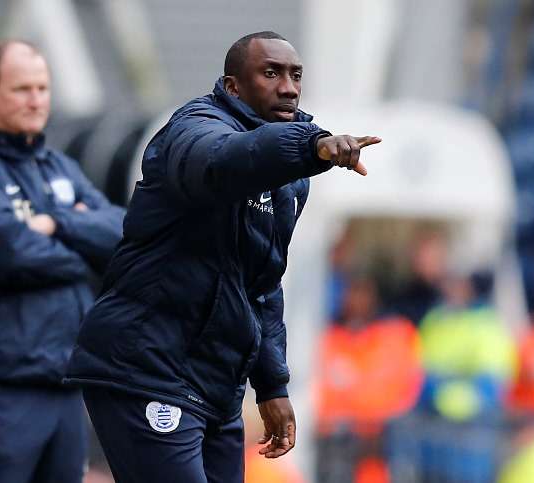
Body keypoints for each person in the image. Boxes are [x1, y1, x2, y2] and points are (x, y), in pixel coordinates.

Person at [65, 31, 381, 482]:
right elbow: (225, 161)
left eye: (295, 75)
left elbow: (262, 287)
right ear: (233, 87)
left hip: (216, 389)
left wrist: (272, 385)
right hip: (147, 369)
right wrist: (309, 147)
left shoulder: (289, 179)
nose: (288, 87)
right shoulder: (193, 129)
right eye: (271, 73)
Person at [0, 40, 124, 483]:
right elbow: (11, 254)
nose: (36, 100)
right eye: (21, 89)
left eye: (42, 88)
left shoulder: (57, 166)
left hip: (64, 383)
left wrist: (55, 224)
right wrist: (84, 244)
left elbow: (123, 237)